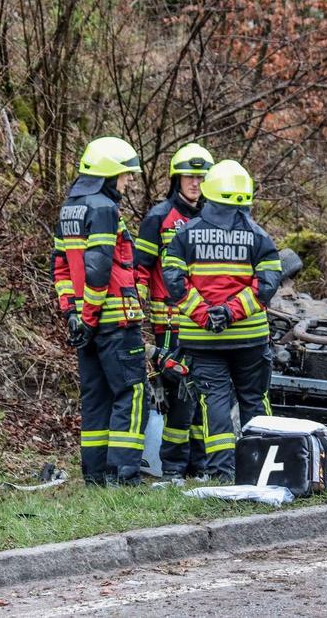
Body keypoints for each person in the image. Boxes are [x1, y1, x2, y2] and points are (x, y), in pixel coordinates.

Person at [161, 160, 282, 482]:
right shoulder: (259, 237)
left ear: (208, 191)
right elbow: (266, 285)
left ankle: (221, 474)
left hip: (203, 341)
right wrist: (232, 312)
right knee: (254, 400)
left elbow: (173, 280)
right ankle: (262, 471)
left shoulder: (185, 234)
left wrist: (205, 314)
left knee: (213, 403)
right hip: (249, 339)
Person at [51, 136, 150, 485]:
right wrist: (90, 317)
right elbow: (98, 268)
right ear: (108, 173)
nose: (129, 181)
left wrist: (73, 315)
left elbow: (61, 268)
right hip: (113, 321)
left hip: (85, 324)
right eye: (125, 174)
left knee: (96, 397)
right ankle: (124, 475)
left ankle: (95, 476)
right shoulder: (104, 208)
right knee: (132, 392)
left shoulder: (69, 208)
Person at [134, 142, 215, 479]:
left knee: (203, 393)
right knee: (180, 394)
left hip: (207, 322)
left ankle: (200, 465)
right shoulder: (159, 217)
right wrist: (136, 314)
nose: (195, 183)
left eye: (202, 177)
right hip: (169, 323)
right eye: (189, 177)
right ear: (176, 179)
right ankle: (174, 468)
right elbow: (140, 269)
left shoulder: (214, 217)